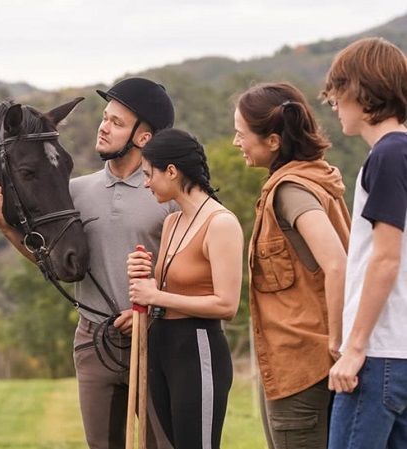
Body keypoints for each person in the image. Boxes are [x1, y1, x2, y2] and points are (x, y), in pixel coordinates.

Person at [0, 77, 176, 448]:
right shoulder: (74, 192)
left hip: (155, 341)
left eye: (117, 122)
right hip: (93, 341)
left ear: (144, 137)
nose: (103, 127)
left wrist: (154, 309)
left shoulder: (168, 195)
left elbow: (194, 271)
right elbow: (52, 262)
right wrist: (6, 228)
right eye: (105, 118)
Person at [233, 81, 351, 448]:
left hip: (302, 367)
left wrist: (338, 343)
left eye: (241, 134)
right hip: (301, 365)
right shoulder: (314, 177)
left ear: (272, 141)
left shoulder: (291, 190)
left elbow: (337, 263)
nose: (236, 142)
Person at [126, 128, 243, 449]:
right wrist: (143, 278)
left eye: (148, 174)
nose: (146, 183)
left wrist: (156, 295)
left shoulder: (221, 223)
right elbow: (166, 291)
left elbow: (227, 305)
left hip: (197, 347)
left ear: (172, 171)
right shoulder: (172, 222)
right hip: (162, 346)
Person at [321, 37, 407, 449]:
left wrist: (355, 348)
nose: (334, 104)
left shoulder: (388, 155)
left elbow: (386, 258)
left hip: (379, 355)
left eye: (338, 92)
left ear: (362, 90)